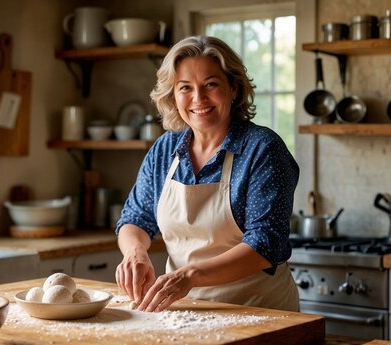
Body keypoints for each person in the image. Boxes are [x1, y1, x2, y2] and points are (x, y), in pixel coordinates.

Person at [115, 35, 299, 312]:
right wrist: (135, 252)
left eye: (210, 85)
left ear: (234, 88)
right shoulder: (165, 149)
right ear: (173, 95)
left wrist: (190, 276)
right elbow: (135, 219)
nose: (198, 98)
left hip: (258, 310)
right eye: (185, 87)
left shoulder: (262, 149)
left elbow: (265, 243)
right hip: (181, 309)